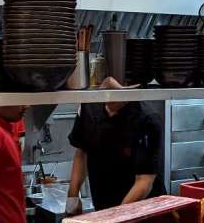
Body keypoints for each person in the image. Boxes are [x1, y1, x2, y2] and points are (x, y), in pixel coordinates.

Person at [67, 78, 163, 212]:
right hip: (102, 205)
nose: (109, 100)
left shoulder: (147, 119)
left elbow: (145, 181)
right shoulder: (89, 105)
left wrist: (116, 217)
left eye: (117, 94)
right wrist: (72, 198)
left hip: (141, 212)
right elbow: (82, 152)